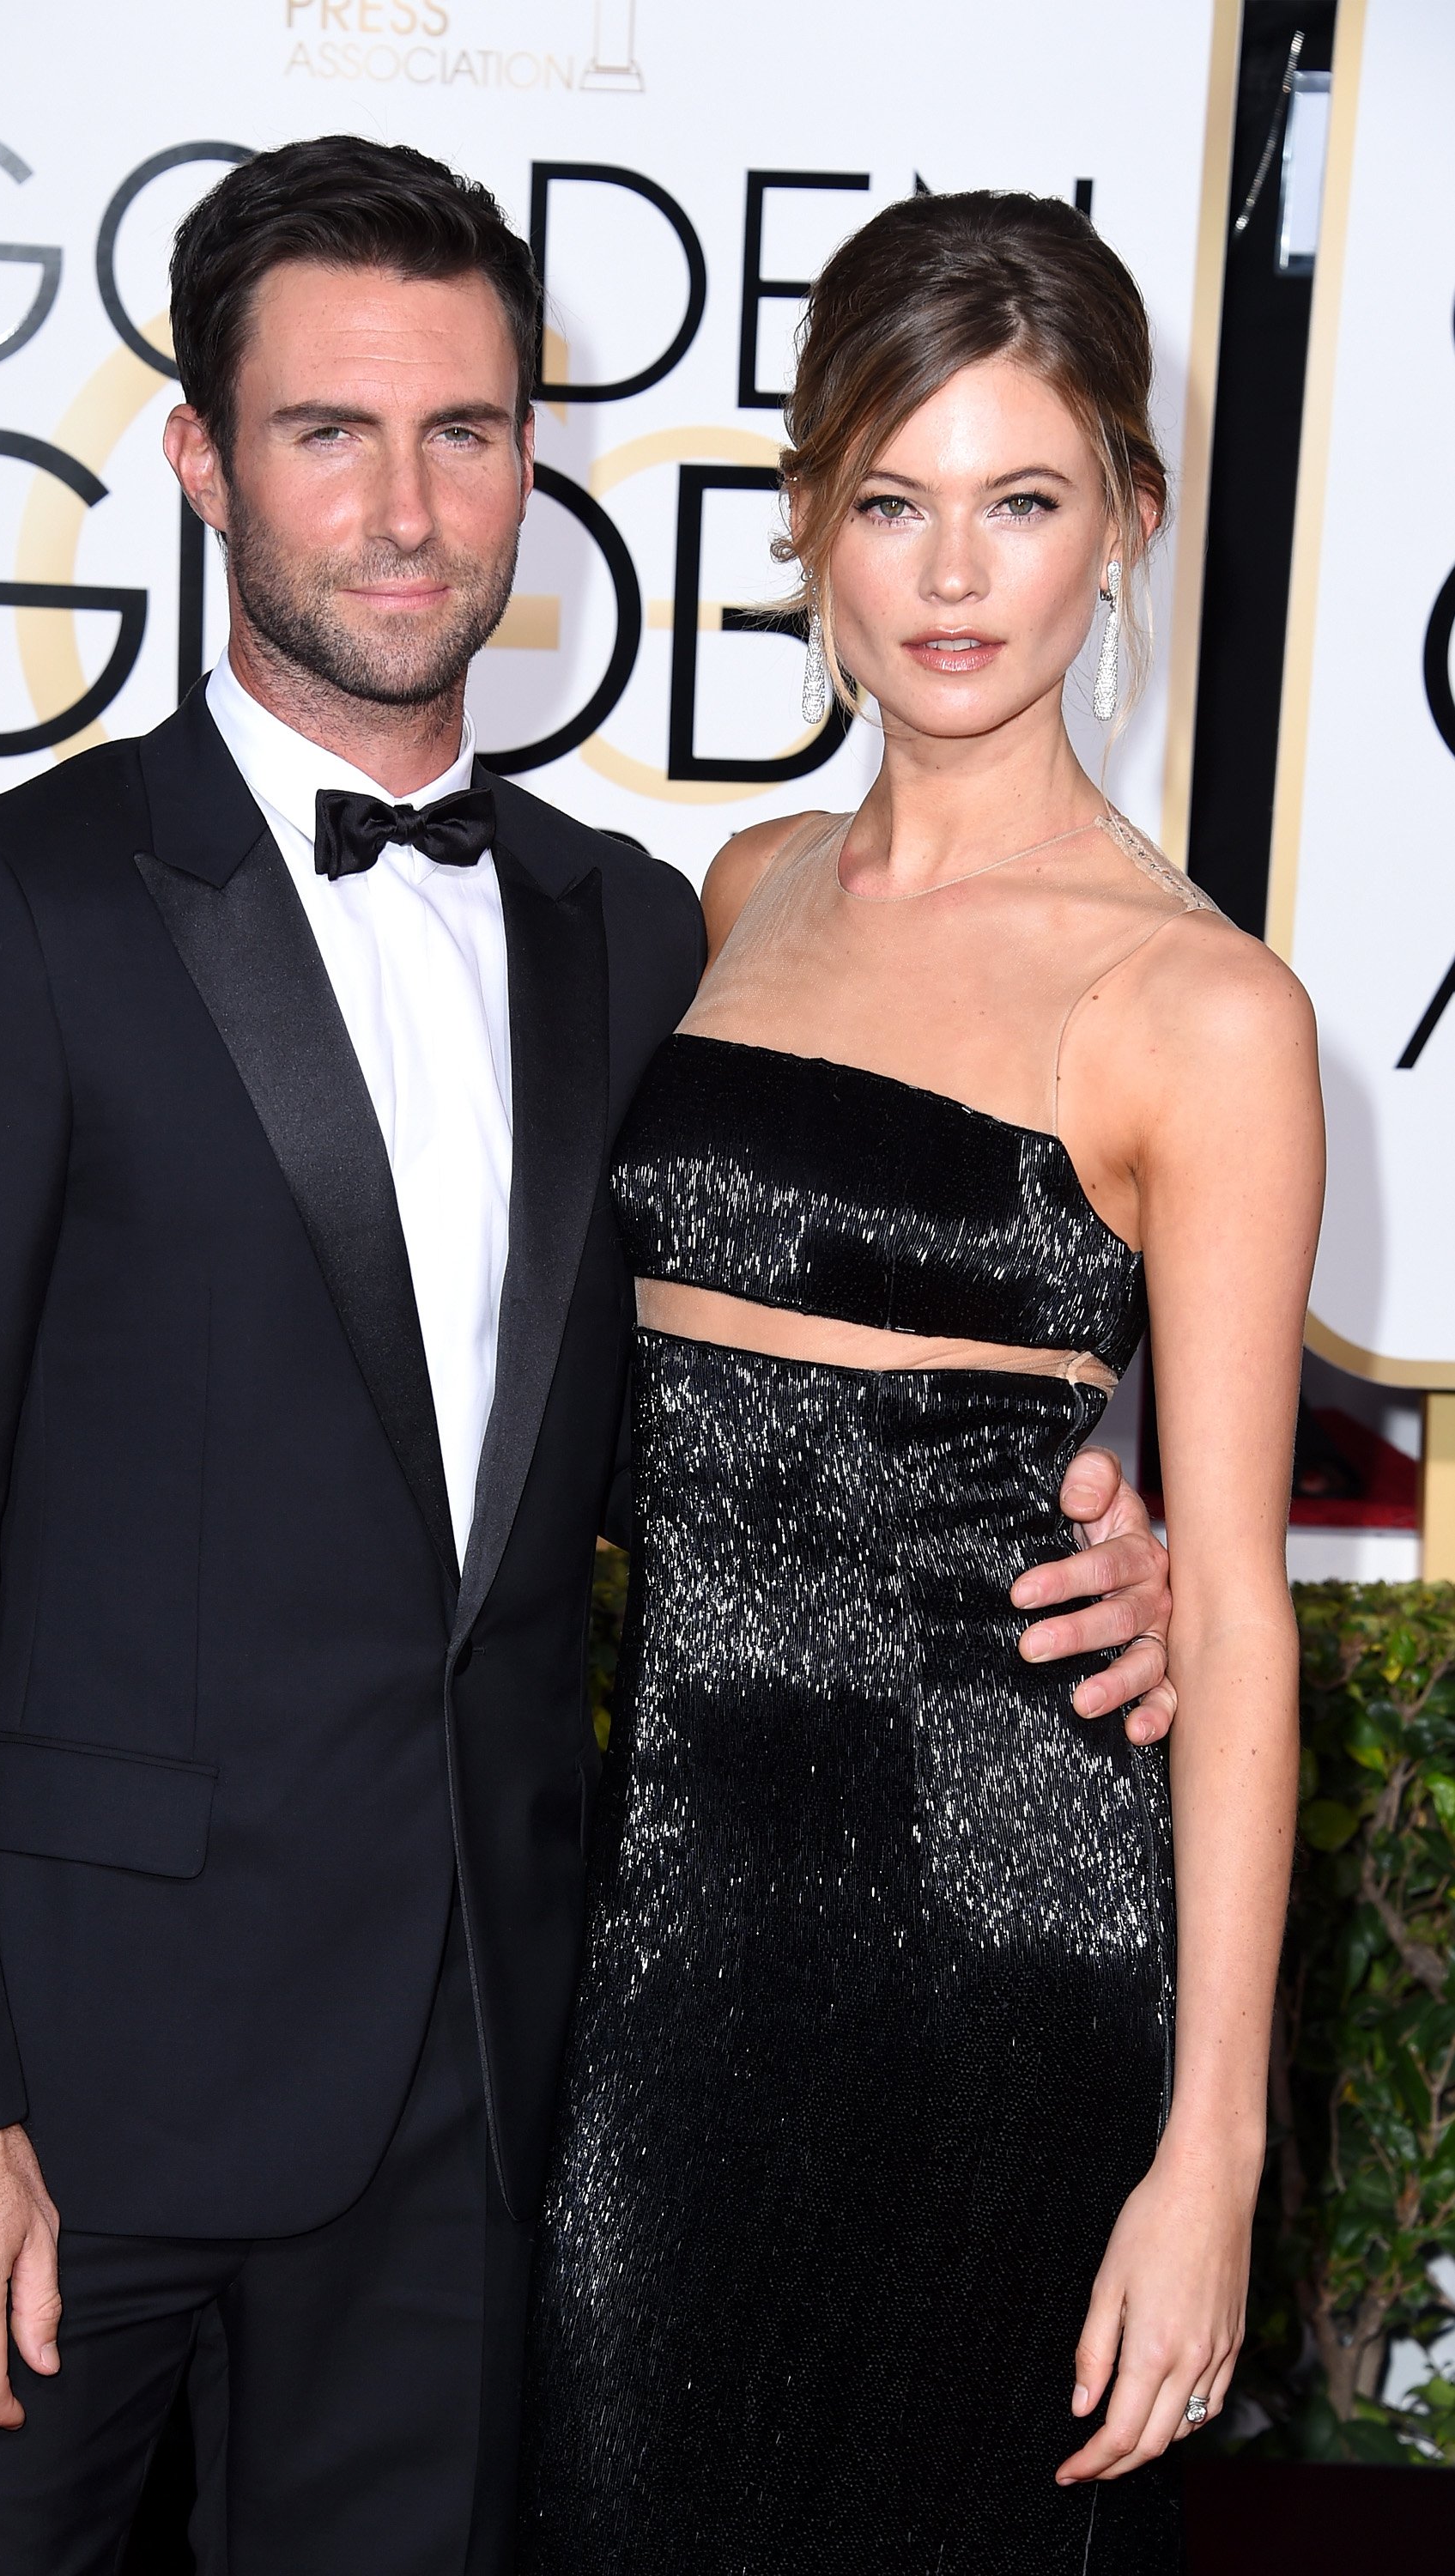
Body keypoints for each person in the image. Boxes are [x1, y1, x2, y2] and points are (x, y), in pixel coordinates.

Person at [0, 145, 1174, 2574]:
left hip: (472, 2115)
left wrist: (1075, 1522)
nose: (408, 509)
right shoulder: (2, 915)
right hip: (51, 2131)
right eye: (330, 431)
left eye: (466, 431)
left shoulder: (634, 935)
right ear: (205, 460)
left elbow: (724, 1439)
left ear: (533, 456)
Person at [522, 191, 1319, 2574]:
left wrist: (1209, 2162)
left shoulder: (1198, 1009)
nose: (949, 576)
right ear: (803, 529)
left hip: (1002, 1961)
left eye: (1021, 500)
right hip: (654, 1958)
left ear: (1125, 530)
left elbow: (1243, 1619)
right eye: (890, 500)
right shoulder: (738, 892)